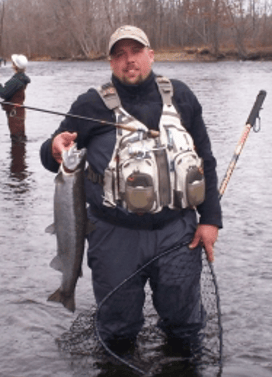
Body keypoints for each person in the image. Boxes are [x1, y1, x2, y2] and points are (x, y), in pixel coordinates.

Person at [40, 25, 222, 355]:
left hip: (177, 232)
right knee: (118, 328)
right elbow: (53, 155)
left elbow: (205, 159)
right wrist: (53, 148)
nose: (129, 61)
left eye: (135, 52)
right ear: (111, 63)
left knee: (184, 325)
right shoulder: (91, 104)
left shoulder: (181, 96)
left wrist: (210, 220)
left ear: (150, 55)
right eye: (119, 55)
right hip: (113, 235)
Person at [0, 54, 31, 141]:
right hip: (19, 112)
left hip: (14, 114)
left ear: (15, 66)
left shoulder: (16, 81)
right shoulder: (22, 79)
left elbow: (3, 93)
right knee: (20, 138)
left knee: (16, 139)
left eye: (13, 63)